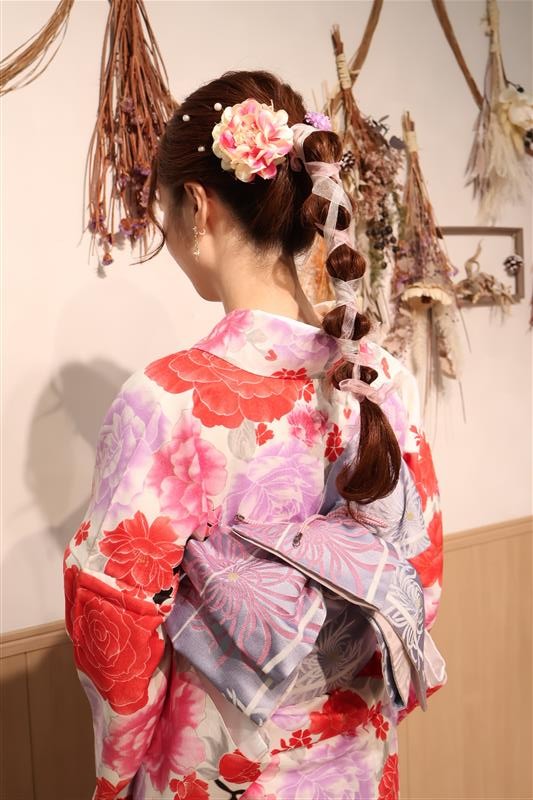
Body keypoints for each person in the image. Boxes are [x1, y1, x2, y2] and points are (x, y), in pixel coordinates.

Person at [63, 69, 446, 800]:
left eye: (165, 212)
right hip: (356, 759)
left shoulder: (166, 400)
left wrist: (117, 770)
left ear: (197, 206)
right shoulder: (381, 377)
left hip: (220, 766)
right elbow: (418, 580)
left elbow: (116, 626)